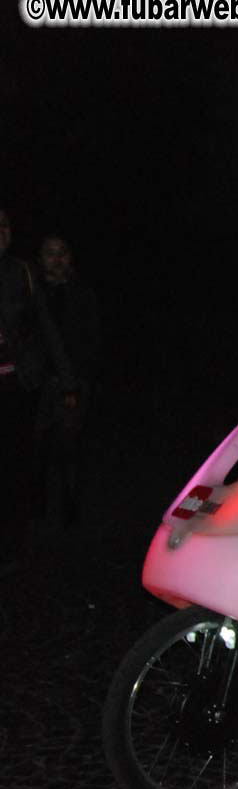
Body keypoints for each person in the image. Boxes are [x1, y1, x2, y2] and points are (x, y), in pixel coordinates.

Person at [0, 212, 75, 564]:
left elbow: (45, 328)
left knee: (16, 463)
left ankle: (15, 543)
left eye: (4, 226)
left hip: (14, 385)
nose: (1, 232)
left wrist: (67, 378)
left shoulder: (22, 272)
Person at [34, 235, 100, 533]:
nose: (57, 259)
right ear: (40, 258)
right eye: (50, 253)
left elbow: (92, 339)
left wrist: (76, 379)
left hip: (75, 382)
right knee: (38, 446)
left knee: (70, 445)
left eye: (62, 252)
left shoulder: (82, 294)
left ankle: (70, 512)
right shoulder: (31, 293)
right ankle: (37, 508)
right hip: (37, 382)